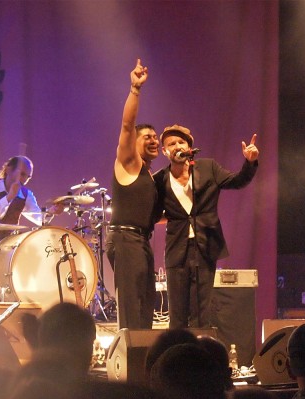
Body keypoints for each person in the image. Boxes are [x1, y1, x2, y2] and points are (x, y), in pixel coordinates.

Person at [153, 125, 259, 329]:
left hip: (205, 245)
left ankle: (200, 355)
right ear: (164, 151)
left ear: (189, 146)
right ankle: (177, 355)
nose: (177, 146)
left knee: (201, 312)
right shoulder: (159, 179)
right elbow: (155, 213)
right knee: (177, 314)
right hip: (177, 249)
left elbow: (237, 181)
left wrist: (250, 162)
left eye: (181, 142)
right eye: (171, 144)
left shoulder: (208, 167)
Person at [105, 59, 160, 330]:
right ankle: (131, 366)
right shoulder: (130, 162)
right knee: (132, 307)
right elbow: (128, 126)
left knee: (145, 304)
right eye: (147, 136)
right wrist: (135, 89)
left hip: (140, 241)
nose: (154, 139)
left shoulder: (149, 176)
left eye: (155, 137)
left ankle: (144, 364)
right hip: (125, 238)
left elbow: (155, 215)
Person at [0, 155, 62, 227]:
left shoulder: (26, 194)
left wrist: (50, 212)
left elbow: (37, 217)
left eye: (28, 177)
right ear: (8, 169)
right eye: (22, 174)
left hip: (11, 243)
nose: (24, 180)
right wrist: (8, 198)